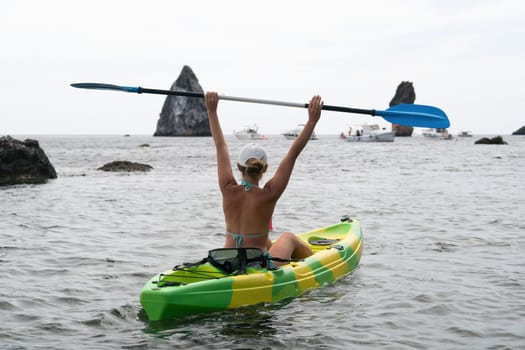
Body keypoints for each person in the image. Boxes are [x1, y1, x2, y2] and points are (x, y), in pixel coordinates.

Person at [205, 92, 323, 266]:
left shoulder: (227, 188)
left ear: (239, 167)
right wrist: (312, 120)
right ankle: (317, 263)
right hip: (257, 263)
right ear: (265, 169)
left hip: (226, 260)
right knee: (288, 237)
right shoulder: (269, 193)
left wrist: (211, 111)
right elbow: (293, 153)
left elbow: (220, 145)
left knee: (266, 238)